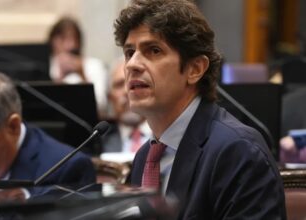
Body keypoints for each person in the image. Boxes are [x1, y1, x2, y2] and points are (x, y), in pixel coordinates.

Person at [114, 0, 286, 219]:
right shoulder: (144, 158)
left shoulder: (239, 152)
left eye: (154, 50)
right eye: (130, 52)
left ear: (195, 69)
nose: (132, 65)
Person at [47, 16, 108, 117]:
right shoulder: (44, 66)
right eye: (63, 39)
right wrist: (60, 78)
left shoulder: (94, 65)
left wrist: (81, 73)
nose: (69, 46)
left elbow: (101, 106)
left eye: (74, 39)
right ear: (53, 41)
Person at [102, 58, 151, 153]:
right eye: (119, 85)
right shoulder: (99, 141)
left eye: (134, 83)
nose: (126, 91)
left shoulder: (167, 135)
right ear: (110, 98)